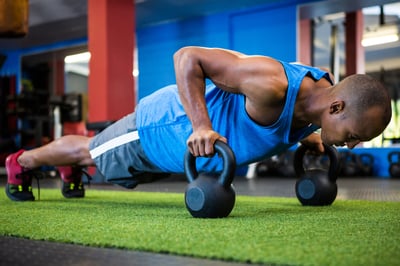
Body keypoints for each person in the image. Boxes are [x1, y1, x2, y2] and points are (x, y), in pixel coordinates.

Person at [5, 46, 392, 201]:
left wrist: (304, 136)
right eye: (354, 137)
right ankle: (19, 163)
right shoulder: (270, 83)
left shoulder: (320, 101)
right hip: (164, 126)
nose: (353, 146)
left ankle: (73, 167)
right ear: (337, 107)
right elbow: (188, 57)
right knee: (92, 149)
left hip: (187, 154)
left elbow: (281, 122)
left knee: (102, 159)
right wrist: (202, 126)